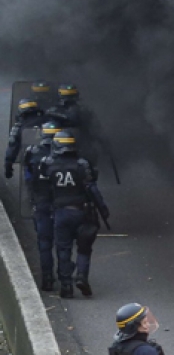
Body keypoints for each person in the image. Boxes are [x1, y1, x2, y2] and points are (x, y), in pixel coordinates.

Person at [40, 130, 109, 298]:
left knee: (63, 249)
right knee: (84, 248)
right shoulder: (82, 164)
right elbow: (92, 188)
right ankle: (82, 277)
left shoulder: (48, 164)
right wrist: (103, 209)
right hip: (82, 212)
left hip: (60, 214)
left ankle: (66, 287)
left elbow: (43, 189)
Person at [22, 120, 64, 291]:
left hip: (41, 202)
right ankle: (65, 279)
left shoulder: (32, 152)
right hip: (61, 203)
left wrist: (32, 196)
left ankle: (47, 279)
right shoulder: (67, 156)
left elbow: (28, 177)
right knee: (63, 243)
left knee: (44, 242)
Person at [4, 98, 47, 178]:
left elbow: (12, 148)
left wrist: (8, 166)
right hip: (49, 162)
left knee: (30, 186)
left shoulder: (19, 127)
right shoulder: (47, 123)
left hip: (30, 163)